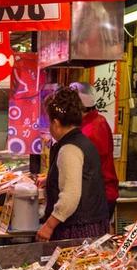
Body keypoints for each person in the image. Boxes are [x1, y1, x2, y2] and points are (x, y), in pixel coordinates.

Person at [35, 87, 110, 242]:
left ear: (55, 123)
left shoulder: (69, 148)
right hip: (91, 223)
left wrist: (49, 226)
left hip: (77, 230)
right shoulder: (82, 141)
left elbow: (70, 196)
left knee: (73, 265)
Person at [70, 82, 120, 219]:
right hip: (99, 194)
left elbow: (86, 168)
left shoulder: (91, 130)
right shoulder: (97, 121)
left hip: (98, 196)